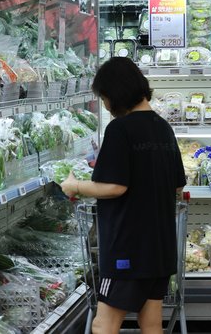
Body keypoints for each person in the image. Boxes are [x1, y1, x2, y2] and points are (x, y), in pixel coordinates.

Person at [61, 57, 186, 334]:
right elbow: (178, 186)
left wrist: (76, 186)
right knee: (151, 322)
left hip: (127, 249)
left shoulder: (120, 130)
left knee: (103, 323)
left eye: (105, 98)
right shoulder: (164, 128)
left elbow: (115, 186)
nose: (106, 105)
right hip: (161, 248)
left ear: (117, 93)